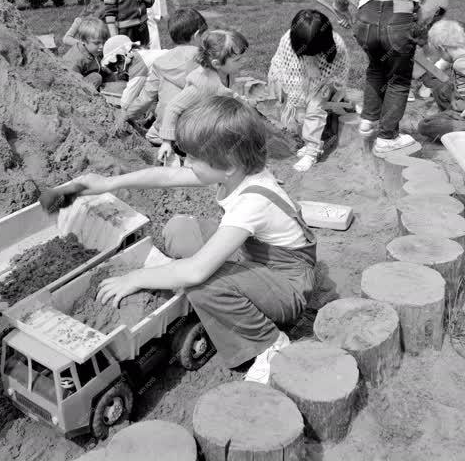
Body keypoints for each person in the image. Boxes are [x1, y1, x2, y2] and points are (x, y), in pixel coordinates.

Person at [43, 96, 316, 384]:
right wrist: (108, 183)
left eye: (195, 158)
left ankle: (270, 343)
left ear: (228, 165)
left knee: (201, 283)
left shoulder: (253, 201)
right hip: (259, 257)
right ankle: (231, 294)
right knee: (179, 229)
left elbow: (196, 270)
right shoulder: (237, 170)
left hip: (289, 285)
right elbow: (166, 176)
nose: (187, 162)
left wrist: (137, 278)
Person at [330, 0, 448, 155]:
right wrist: (421, 27)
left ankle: (368, 120)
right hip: (400, 18)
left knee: (375, 68)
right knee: (398, 78)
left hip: (366, 17)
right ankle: (387, 136)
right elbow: (436, 3)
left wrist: (340, 8)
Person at [268, 8, 350, 172]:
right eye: (306, 52)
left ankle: (312, 150)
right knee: (299, 113)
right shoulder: (288, 42)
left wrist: (330, 87)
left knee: (315, 107)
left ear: (325, 42)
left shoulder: (337, 45)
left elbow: (340, 71)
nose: (310, 55)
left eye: (314, 51)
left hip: (324, 82)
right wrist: (298, 103)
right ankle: (308, 140)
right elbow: (292, 77)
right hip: (291, 79)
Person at [157, 29, 249, 164]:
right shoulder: (202, 83)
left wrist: (240, 100)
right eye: (237, 60)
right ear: (217, 63)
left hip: (205, 121)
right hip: (189, 133)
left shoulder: (225, 72)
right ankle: (192, 160)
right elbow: (173, 107)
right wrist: (166, 142)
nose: (243, 62)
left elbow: (226, 93)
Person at [119, 8, 208, 144]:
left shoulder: (160, 62)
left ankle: (171, 142)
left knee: (151, 135)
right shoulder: (205, 60)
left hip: (168, 127)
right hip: (201, 126)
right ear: (196, 35)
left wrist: (127, 114)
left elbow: (146, 97)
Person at [101, 34, 166, 109]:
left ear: (123, 57)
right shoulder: (142, 55)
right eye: (112, 67)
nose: (117, 69)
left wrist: (118, 108)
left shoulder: (137, 65)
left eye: (115, 64)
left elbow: (126, 101)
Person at [62, 18, 111, 89]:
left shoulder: (93, 48)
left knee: (110, 73)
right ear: (83, 41)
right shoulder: (76, 58)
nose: (102, 46)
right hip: (74, 84)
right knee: (96, 77)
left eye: (104, 42)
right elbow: (70, 80)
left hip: (87, 73)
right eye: (97, 43)